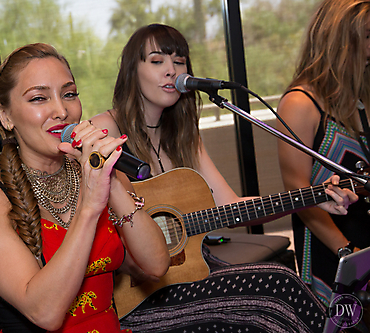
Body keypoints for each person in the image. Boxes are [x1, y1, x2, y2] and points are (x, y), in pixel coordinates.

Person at [91, 23, 358, 332]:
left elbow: (231, 207)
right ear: (131, 71)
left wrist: (313, 199)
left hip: (189, 275)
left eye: (179, 61)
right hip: (135, 292)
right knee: (277, 288)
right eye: (156, 61)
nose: (171, 70)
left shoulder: (185, 137)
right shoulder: (105, 131)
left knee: (282, 287)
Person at [0, 42, 170, 333]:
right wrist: (90, 208)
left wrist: (112, 181)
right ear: (4, 115)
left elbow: (156, 265)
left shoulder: (93, 170)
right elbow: (44, 313)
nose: (61, 111)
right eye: (38, 99)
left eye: (69, 94)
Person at [276, 0, 370, 307]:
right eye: (367, 35)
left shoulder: (363, 92)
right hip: (332, 256)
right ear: (342, 41)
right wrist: (349, 254)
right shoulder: (300, 104)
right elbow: (298, 195)